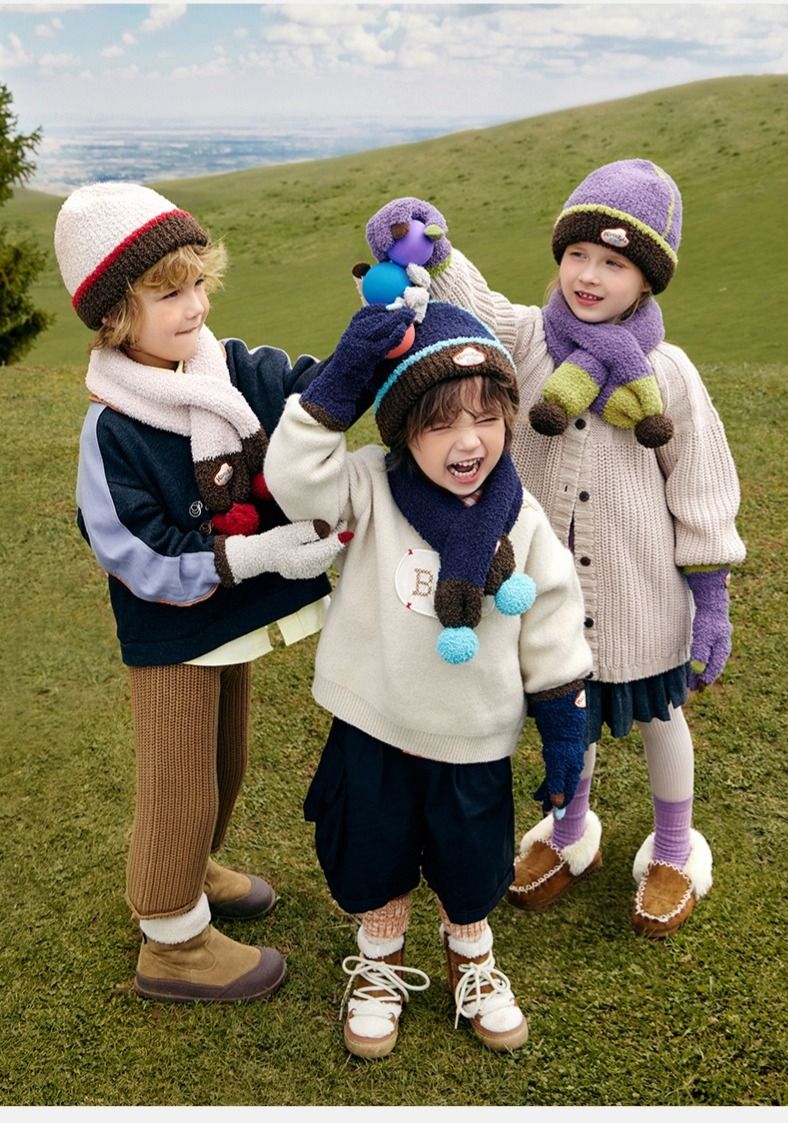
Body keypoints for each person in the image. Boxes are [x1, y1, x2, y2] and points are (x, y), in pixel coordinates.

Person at [365, 158, 746, 938]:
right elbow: (471, 302)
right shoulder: (532, 338)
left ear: (647, 281)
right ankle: (571, 835)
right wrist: (428, 245)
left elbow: (700, 482)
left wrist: (710, 598)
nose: (589, 275)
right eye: (578, 255)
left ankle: (675, 848)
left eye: (614, 262)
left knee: (660, 718)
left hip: (643, 598)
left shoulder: (667, 375)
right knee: (565, 708)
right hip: (542, 593)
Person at [264, 293, 592, 1058]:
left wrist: (564, 723)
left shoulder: (523, 518)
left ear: (508, 416)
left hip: (473, 734)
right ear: (403, 432)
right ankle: (380, 959)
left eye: (484, 415)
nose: (466, 440)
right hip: (376, 718)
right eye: (439, 422)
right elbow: (294, 479)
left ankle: (470, 951)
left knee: (471, 858)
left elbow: (550, 620)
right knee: (373, 845)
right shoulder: (371, 487)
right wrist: (340, 380)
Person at [54, 181, 348, 1003]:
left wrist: (374, 351)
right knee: (179, 780)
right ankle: (170, 937)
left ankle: (195, 869)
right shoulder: (113, 428)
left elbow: (312, 393)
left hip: (229, 624)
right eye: (166, 291)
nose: (193, 306)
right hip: (175, 632)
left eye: (198, 283)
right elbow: (136, 556)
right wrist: (252, 555)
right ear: (114, 312)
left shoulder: (226, 370)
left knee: (225, 760)